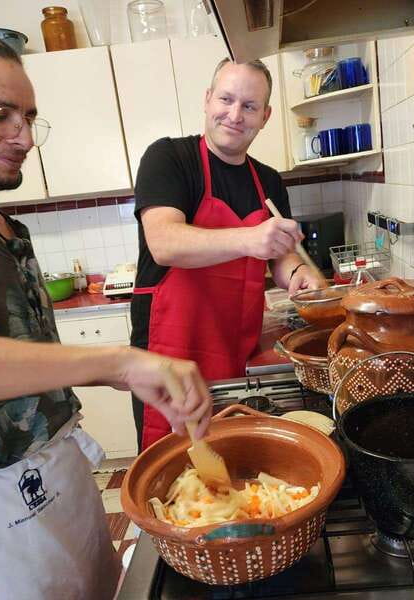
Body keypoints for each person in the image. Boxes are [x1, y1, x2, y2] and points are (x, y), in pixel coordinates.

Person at [0, 6, 212, 599]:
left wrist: (126, 378)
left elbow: (23, 364)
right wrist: (115, 361)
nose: (23, 137)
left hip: (65, 476)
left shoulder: (3, 226)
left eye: (27, 117)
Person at [130, 57, 325, 450]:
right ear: (207, 100)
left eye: (249, 106)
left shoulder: (268, 180)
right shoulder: (169, 158)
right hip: (172, 353)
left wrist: (296, 275)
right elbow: (165, 242)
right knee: (176, 466)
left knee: (230, 456)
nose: (235, 115)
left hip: (235, 349)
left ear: (265, 116)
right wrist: (248, 238)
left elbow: (281, 255)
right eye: (226, 99)